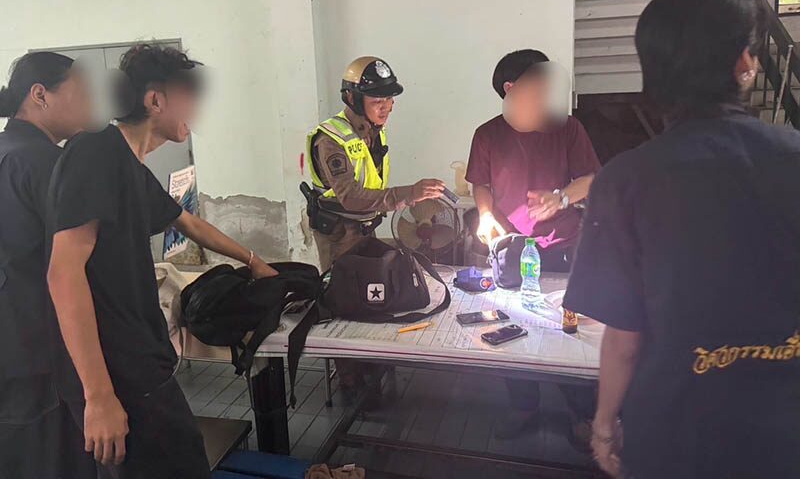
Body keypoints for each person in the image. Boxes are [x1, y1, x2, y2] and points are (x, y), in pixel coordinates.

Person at [564, 0, 800, 478]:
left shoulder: (626, 180)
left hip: (674, 435)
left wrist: (604, 425)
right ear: (744, 62)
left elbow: (623, 340)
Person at [46, 44, 278, 479]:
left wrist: (254, 260)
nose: (196, 110)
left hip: (142, 363)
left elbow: (188, 222)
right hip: (118, 373)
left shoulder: (131, 168)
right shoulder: (93, 154)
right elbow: (63, 274)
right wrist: (99, 396)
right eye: (188, 96)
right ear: (155, 100)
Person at [465, 49, 600, 443]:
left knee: (568, 330)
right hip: (511, 250)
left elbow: (591, 178)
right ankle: (524, 405)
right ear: (511, 89)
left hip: (563, 247)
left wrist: (561, 197)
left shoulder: (567, 129)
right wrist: (485, 215)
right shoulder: (487, 134)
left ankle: (583, 413)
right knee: (511, 328)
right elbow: (480, 184)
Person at [306, 56, 445, 397]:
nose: (387, 107)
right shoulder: (331, 139)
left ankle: (372, 364)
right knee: (345, 303)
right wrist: (408, 194)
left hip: (366, 227)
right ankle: (350, 381)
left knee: (373, 295)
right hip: (339, 234)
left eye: (390, 99)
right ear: (353, 99)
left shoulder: (371, 131)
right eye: (378, 100)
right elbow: (351, 196)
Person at [0, 52, 96, 479]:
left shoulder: (8, 152)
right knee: (56, 460)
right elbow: (72, 272)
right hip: (41, 352)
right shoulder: (46, 165)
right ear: (40, 95)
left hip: (12, 349)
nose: (89, 104)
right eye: (81, 92)